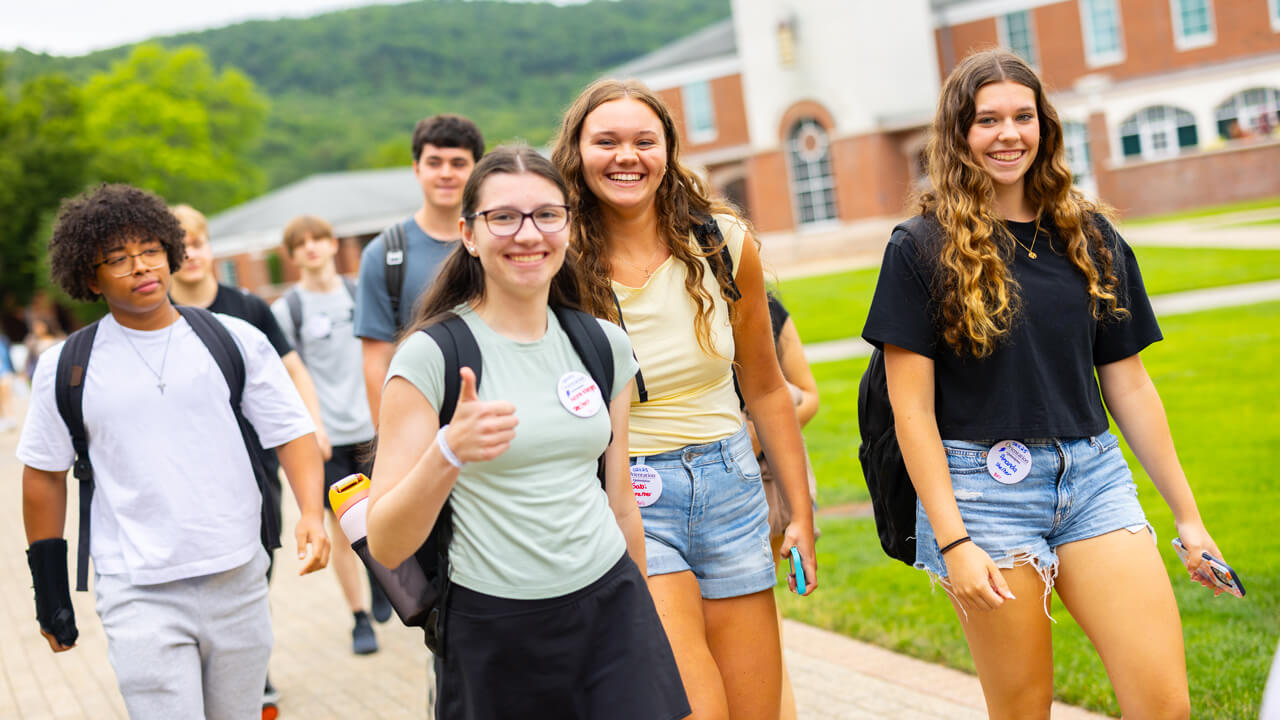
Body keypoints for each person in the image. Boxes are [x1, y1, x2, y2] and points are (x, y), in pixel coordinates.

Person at [861, 49, 1226, 719]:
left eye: (1023, 117)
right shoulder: (919, 247)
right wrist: (953, 541)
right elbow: (911, 413)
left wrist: (1189, 517)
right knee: (1024, 708)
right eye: (987, 120)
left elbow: (1130, 386)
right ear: (959, 134)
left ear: (1045, 127)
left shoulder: (1091, 236)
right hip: (981, 493)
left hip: (1093, 480)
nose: (1008, 135)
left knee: (1166, 703)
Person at [365, 144, 689, 719]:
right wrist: (448, 452)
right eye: (503, 217)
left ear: (568, 225)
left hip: (614, 612)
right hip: (497, 630)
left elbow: (621, 505)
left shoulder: (602, 345)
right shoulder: (430, 358)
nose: (527, 234)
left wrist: (643, 614)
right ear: (468, 233)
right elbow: (388, 543)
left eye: (546, 214)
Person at [552, 79, 817, 720]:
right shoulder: (559, 260)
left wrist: (802, 517)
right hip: (631, 496)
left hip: (731, 488)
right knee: (695, 707)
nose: (627, 156)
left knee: (759, 709)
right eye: (606, 141)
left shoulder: (723, 243)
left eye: (645, 141)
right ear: (576, 153)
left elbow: (766, 389)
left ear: (668, 151)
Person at [17, 183, 329, 719]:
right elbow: (43, 475)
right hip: (137, 587)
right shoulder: (66, 366)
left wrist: (311, 514)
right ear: (90, 277)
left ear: (170, 251)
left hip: (238, 574)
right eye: (117, 259)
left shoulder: (234, 339)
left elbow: (291, 430)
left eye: (150, 251)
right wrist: (49, 589)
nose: (141, 268)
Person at [168, 203, 348, 706]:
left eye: (199, 243)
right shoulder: (155, 312)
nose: (192, 255)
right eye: (180, 248)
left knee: (253, 569)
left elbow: (294, 370)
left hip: (255, 462)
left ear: (209, 248)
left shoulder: (249, 308)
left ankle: (250, 666)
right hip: (188, 467)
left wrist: (312, 426)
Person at [270, 215, 381, 655]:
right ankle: (359, 616)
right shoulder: (287, 310)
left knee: (380, 513)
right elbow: (289, 377)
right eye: (302, 244)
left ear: (333, 244)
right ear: (293, 255)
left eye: (318, 239)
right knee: (342, 529)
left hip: (373, 430)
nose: (312, 248)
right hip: (326, 437)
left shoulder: (360, 294)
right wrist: (309, 426)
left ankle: (382, 581)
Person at [354, 114, 485, 421]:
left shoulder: (501, 240)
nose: (446, 173)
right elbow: (376, 362)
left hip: (501, 415)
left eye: (458, 163)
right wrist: (385, 444)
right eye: (434, 162)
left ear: (477, 169)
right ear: (416, 169)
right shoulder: (384, 254)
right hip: (422, 420)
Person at [744, 292, 819, 720]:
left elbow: (807, 395)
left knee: (760, 622)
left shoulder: (769, 309)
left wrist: (759, 436)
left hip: (771, 486)